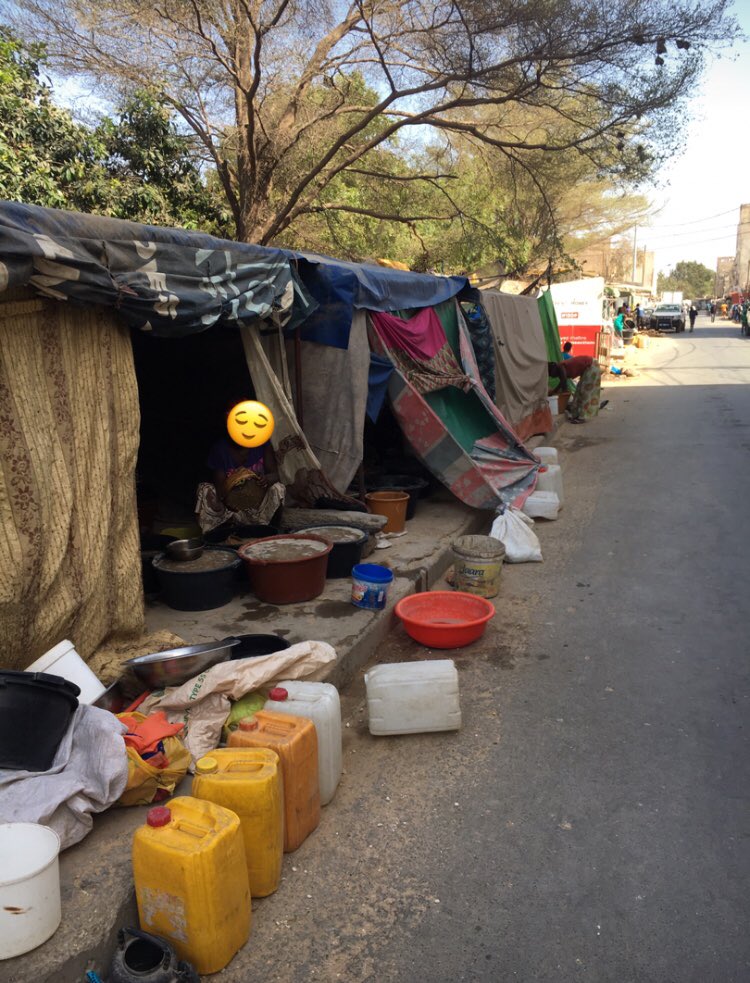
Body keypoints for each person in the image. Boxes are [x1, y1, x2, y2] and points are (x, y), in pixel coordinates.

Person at [195, 410, 285, 533]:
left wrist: (266, 479)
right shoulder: (220, 449)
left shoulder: (262, 444)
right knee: (205, 489)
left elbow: (276, 475)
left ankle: (270, 530)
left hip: (257, 507)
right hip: (229, 510)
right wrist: (232, 499)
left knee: (277, 488)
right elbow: (220, 488)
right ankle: (219, 533)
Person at [562, 354, 608, 423]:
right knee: (578, 390)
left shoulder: (562, 368)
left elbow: (564, 381)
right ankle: (575, 414)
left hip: (592, 366)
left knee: (585, 392)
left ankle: (581, 417)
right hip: (588, 367)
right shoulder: (562, 365)